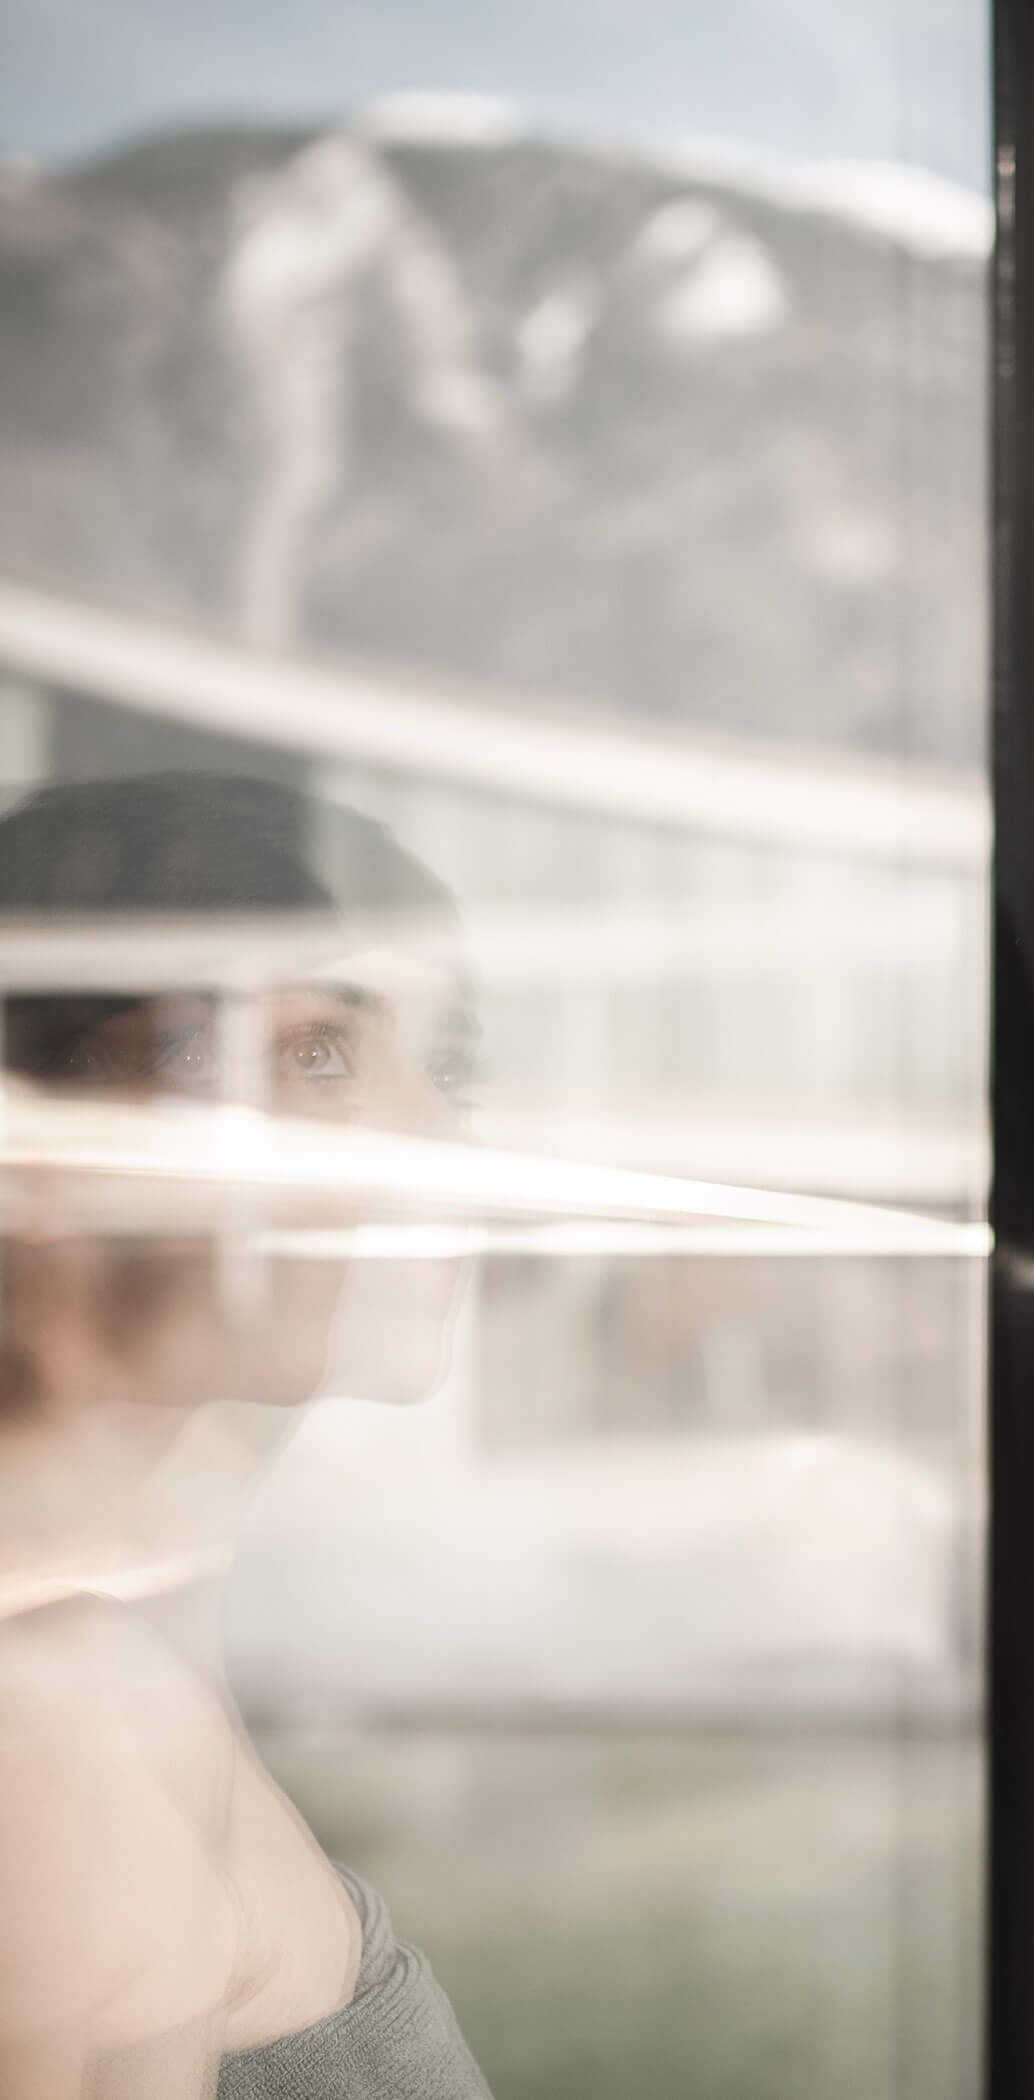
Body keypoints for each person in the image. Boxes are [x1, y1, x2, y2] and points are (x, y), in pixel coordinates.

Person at [0, 772, 491, 2099]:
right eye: (318, 1052)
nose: (439, 1141)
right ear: (45, 1144)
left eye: (446, 1066)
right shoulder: (57, 1730)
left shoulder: (113, 1670)